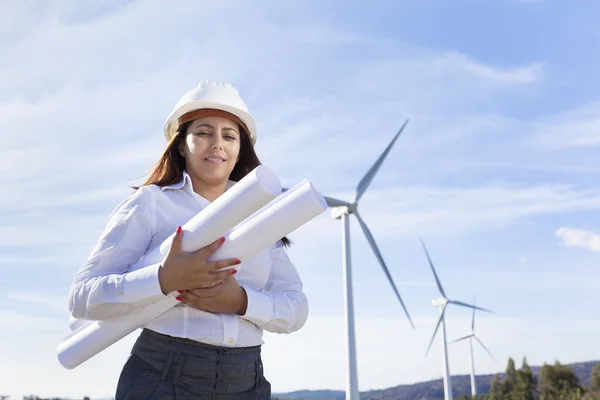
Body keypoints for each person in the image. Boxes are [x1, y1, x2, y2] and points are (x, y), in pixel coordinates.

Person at [68, 80, 309, 399]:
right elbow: (83, 298)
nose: (217, 144)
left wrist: (241, 301)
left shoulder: (261, 218)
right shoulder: (150, 204)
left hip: (248, 381)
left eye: (229, 135)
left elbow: (296, 309)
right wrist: (162, 279)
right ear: (182, 144)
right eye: (204, 132)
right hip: (163, 377)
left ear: (239, 151)